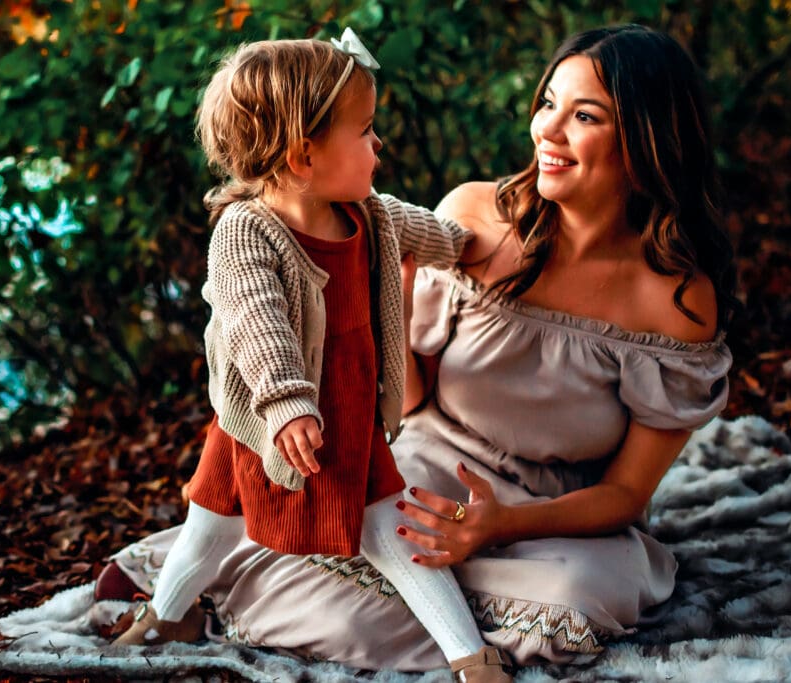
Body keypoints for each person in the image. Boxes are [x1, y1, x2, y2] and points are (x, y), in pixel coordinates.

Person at [96, 23, 736, 670]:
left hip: (558, 518)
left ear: (648, 139)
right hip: (428, 464)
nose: (548, 129)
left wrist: (496, 525)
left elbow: (626, 494)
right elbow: (400, 387)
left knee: (579, 597)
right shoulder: (476, 218)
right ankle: (205, 591)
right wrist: (389, 305)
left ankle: (416, 608)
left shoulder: (676, 299)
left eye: (585, 115)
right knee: (343, 559)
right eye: (547, 103)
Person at [108, 28, 512, 682]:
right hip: (271, 415)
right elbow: (256, 321)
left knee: (385, 529)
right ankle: (167, 612)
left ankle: (470, 657)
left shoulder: (368, 213)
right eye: (365, 129)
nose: (378, 143)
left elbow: (431, 233)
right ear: (303, 156)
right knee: (210, 525)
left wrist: (481, 247)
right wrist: (287, 403)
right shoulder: (246, 233)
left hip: (347, 410)